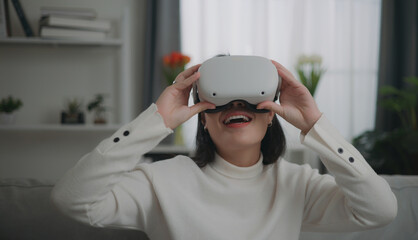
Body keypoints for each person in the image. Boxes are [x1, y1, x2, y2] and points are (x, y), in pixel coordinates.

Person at [51, 59, 397, 240]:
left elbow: (379, 211)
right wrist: (156, 120)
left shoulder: (298, 185)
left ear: (272, 116)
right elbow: (71, 200)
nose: (236, 105)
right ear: (203, 118)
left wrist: (314, 125)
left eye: (250, 101)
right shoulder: (160, 181)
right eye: (222, 100)